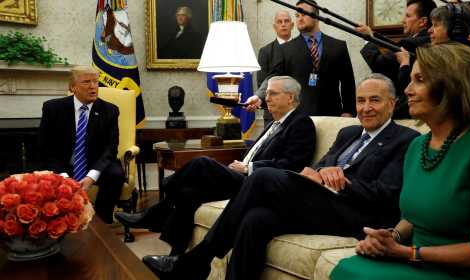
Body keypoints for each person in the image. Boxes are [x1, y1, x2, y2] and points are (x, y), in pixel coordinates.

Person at [141, 73, 420, 280]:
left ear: (392, 104)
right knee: (255, 219)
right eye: (360, 101)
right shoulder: (348, 133)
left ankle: (197, 261)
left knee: (263, 179)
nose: (365, 107)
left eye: (375, 100)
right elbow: (319, 166)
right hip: (319, 202)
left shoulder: (406, 139)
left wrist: (343, 182)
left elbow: (388, 194)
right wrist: (317, 172)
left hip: (356, 214)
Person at [331, 43, 470, 280]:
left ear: (452, 86)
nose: (407, 89)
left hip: (467, 272)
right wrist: (391, 237)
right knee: (346, 268)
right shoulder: (417, 146)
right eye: (410, 79)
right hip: (418, 261)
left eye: (420, 79)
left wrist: (409, 253)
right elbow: (412, 217)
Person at [115, 76, 316, 256]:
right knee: (188, 193)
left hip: (257, 183)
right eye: (267, 93)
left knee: (202, 163)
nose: (267, 98)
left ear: (290, 98)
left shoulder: (301, 124)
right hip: (241, 175)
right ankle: (175, 257)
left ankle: (156, 208)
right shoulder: (275, 124)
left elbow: (292, 164)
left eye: (273, 93)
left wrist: (249, 168)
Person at [38, 66, 125, 224]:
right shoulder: (53, 108)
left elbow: (110, 148)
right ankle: (59, 222)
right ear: (72, 87)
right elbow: (45, 147)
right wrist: (64, 177)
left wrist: (92, 176)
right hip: (64, 165)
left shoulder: (110, 110)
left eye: (95, 82)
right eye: (86, 82)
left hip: (96, 163)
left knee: (116, 174)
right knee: (43, 179)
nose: (93, 86)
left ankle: (101, 221)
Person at [247, 0, 356, 118]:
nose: (299, 18)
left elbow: (348, 83)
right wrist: (259, 96)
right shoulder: (285, 49)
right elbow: (273, 77)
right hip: (299, 117)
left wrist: (348, 111)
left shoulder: (338, 46)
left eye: (303, 14)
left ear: (317, 16)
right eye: (297, 15)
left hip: (332, 115)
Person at [357, 0, 436, 119]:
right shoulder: (429, 41)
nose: (403, 21)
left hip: (406, 111)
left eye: (408, 16)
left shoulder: (410, 44)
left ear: (423, 21)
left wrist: (368, 39)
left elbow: (379, 65)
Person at [257, 10, 294, 126]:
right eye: (279, 22)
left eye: (286, 21)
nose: (283, 24)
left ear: (292, 25)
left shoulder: (302, 49)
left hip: (297, 111)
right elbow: (263, 83)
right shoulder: (265, 51)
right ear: (274, 26)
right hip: (272, 113)